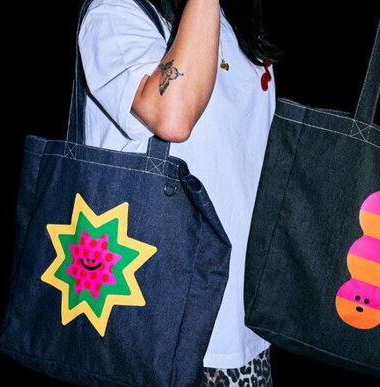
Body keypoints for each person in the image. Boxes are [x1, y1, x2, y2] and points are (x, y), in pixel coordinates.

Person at [78, 0, 279, 385]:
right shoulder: (115, 10)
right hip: (150, 334)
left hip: (242, 330)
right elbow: (172, 116)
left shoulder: (235, 26)